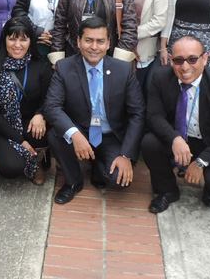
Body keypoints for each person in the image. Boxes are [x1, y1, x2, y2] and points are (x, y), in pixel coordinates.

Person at [44, 17, 145, 205]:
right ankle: (73, 182)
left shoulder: (123, 70)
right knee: (56, 135)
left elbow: (138, 114)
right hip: (82, 130)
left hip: (111, 135)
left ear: (108, 43)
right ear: (78, 42)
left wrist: (126, 156)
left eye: (100, 41)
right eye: (88, 40)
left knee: (118, 181)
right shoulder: (64, 68)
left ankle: (98, 165)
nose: (94, 47)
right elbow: (52, 106)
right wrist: (75, 134)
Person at [141, 36, 210, 213]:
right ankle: (167, 191)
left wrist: (201, 162)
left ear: (204, 59)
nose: (185, 67)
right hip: (181, 137)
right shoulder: (160, 77)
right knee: (149, 143)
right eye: (179, 60)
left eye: (192, 59)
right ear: (171, 61)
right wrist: (175, 138)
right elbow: (154, 115)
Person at [0, 17, 52, 184]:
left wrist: (40, 114)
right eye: (12, 39)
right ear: (5, 40)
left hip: (27, 122)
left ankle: (37, 160)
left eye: (23, 39)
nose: (17, 45)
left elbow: (49, 98)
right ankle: (1, 158)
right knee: (12, 168)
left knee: (45, 133)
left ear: (30, 41)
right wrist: (21, 142)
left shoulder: (39, 66)